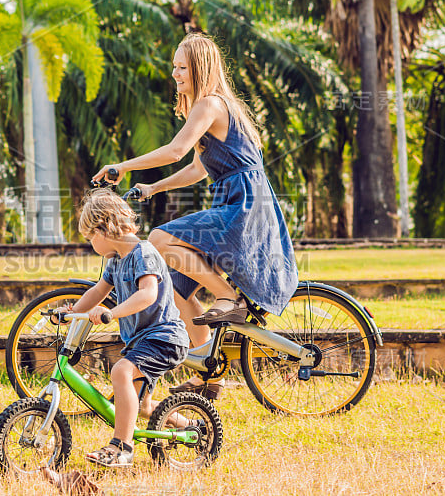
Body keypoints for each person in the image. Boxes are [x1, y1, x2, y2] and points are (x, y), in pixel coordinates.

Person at [92, 32, 299, 400]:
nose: (174, 74)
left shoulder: (210, 105)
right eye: (174, 66)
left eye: (181, 67)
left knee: (158, 239)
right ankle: (209, 372)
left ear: (200, 68)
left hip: (243, 207)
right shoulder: (213, 110)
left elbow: (175, 150)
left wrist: (123, 166)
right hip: (237, 202)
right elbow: (196, 170)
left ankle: (227, 297)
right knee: (173, 285)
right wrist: (153, 188)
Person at [57, 188, 191, 467]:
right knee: (143, 407)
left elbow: (148, 294)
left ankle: (122, 448)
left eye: (89, 237)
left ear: (104, 228)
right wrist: (72, 312)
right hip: (144, 340)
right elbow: (97, 291)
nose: (90, 244)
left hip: (164, 337)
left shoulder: (144, 253)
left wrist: (112, 314)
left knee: (121, 371)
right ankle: (192, 428)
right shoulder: (115, 261)